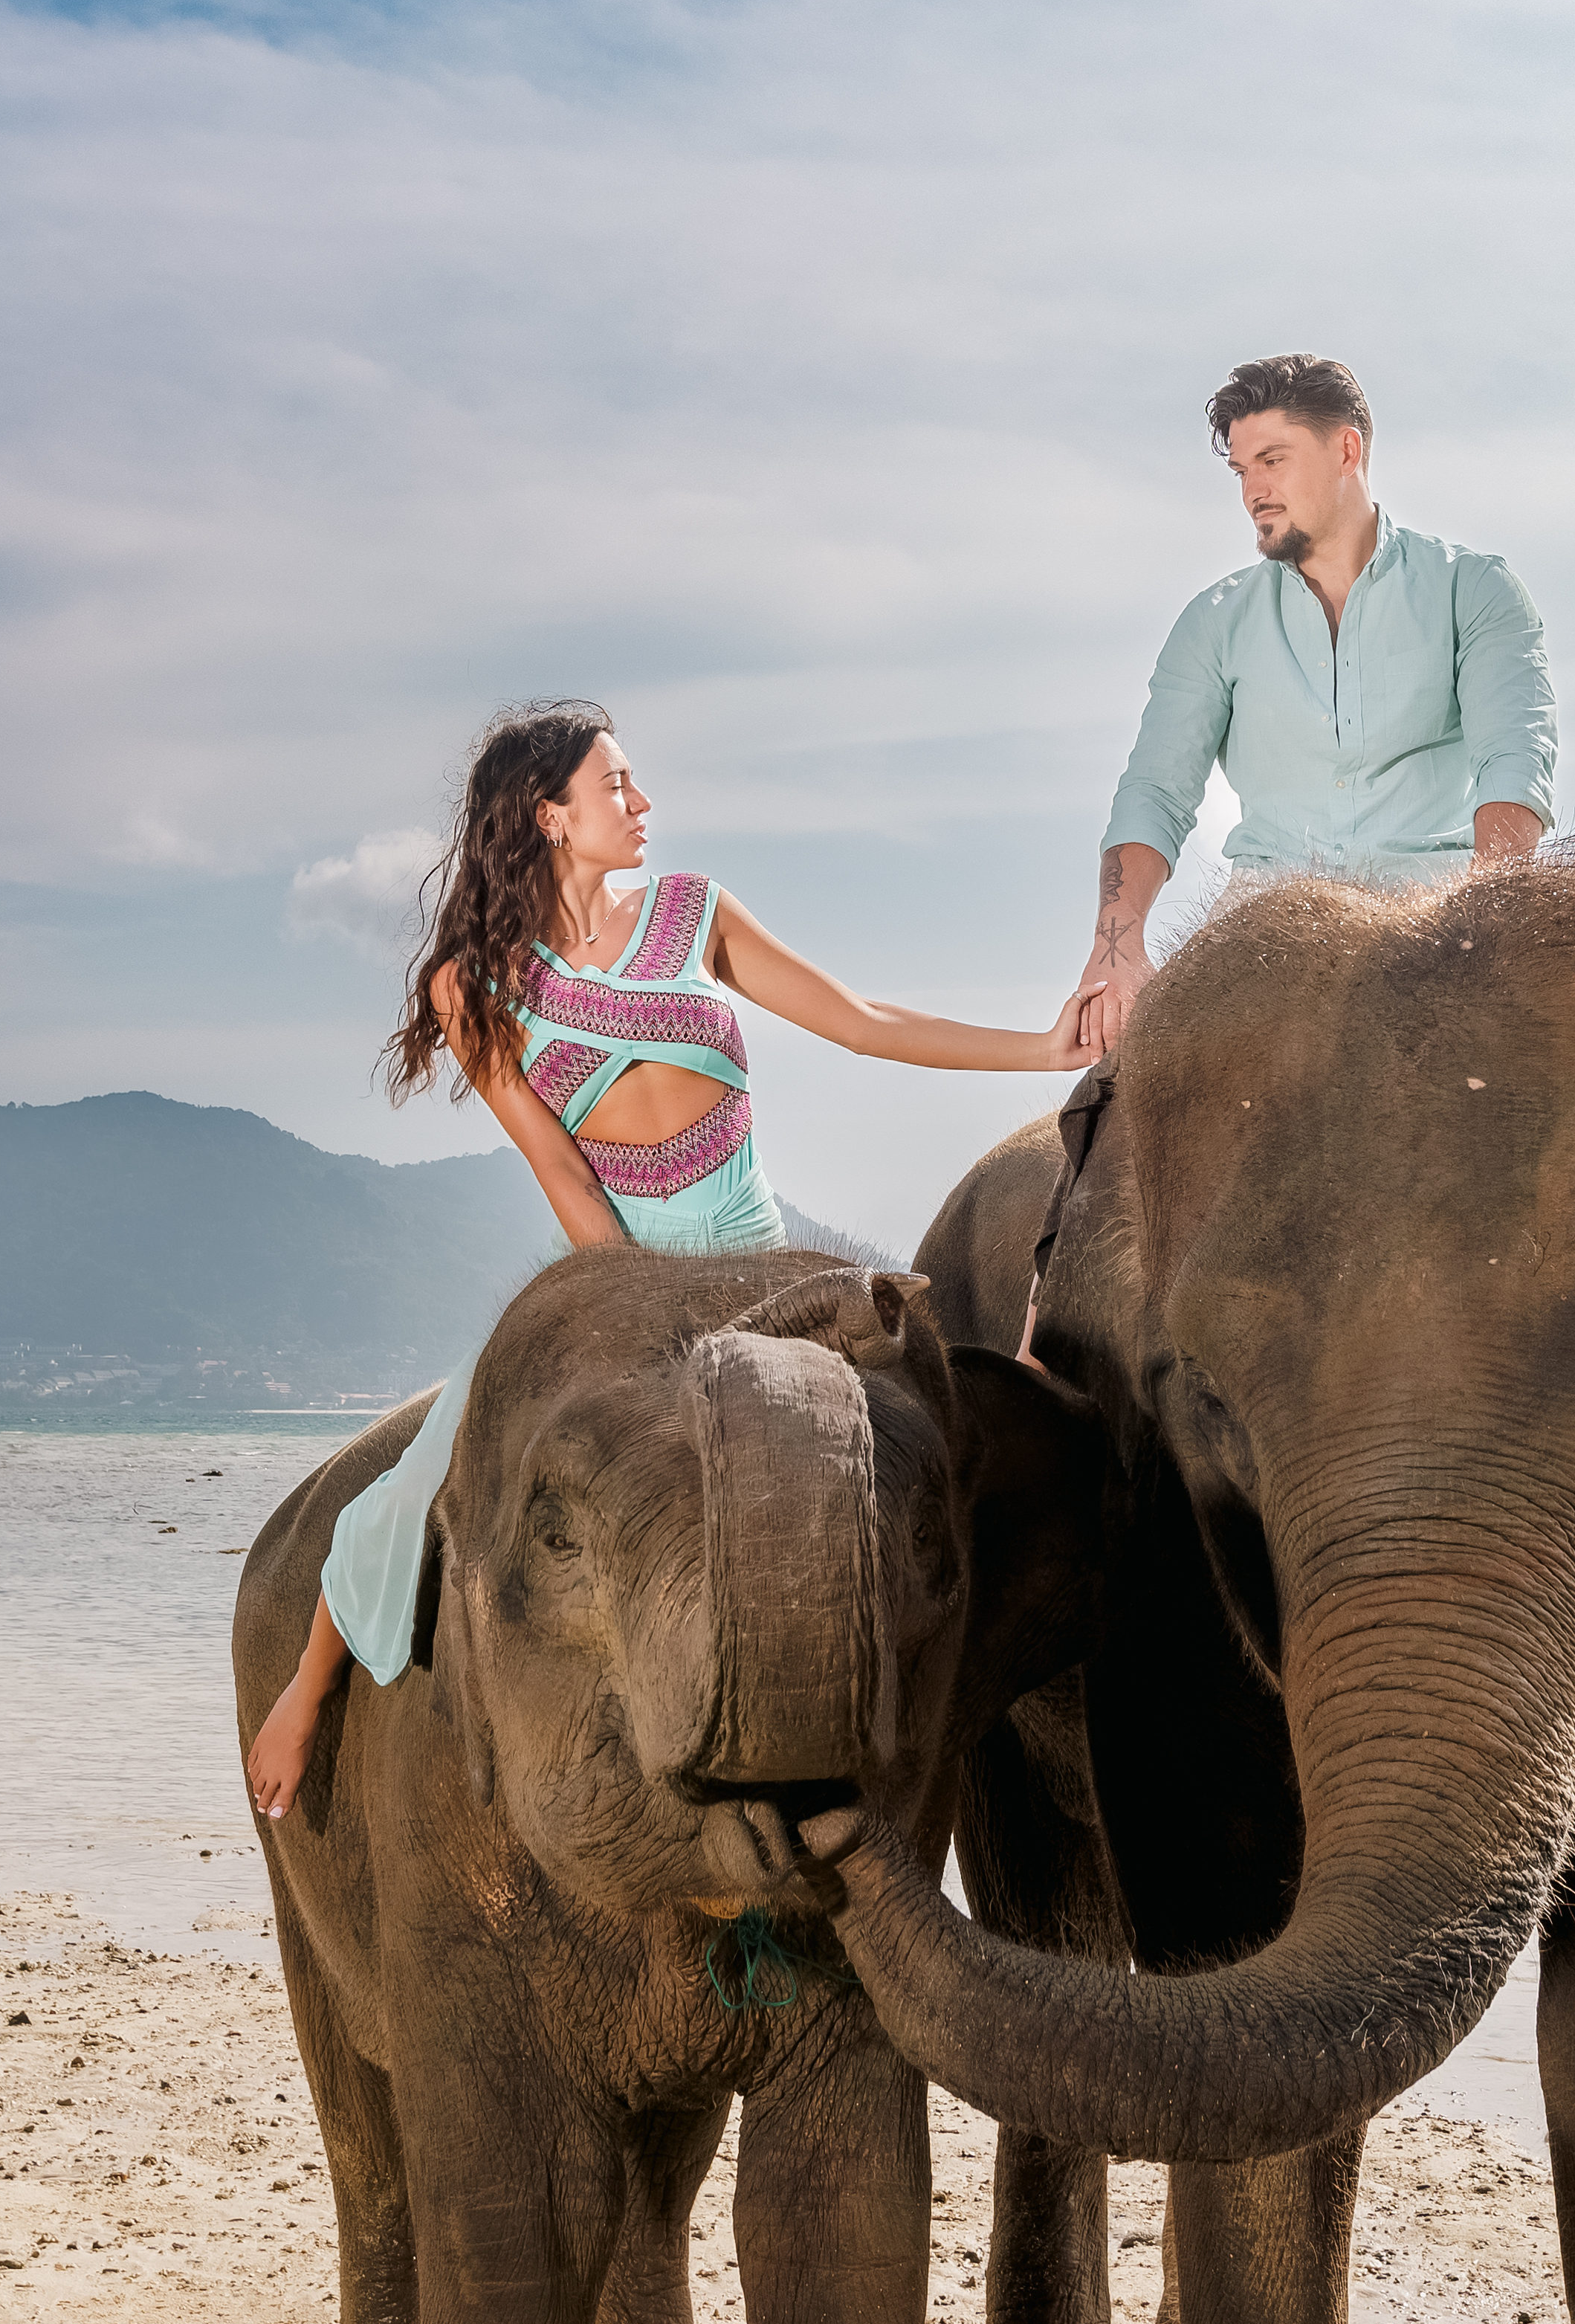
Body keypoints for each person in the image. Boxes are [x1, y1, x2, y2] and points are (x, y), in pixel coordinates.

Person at [246, 698, 1095, 1816]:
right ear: (549, 814)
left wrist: (1044, 1048)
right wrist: (640, 1312)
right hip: (616, 1275)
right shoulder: (473, 985)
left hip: (761, 1260)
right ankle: (310, 1688)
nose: (641, 805)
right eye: (616, 785)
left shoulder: (695, 912)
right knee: (423, 1476)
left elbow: (859, 1019)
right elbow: (560, 1170)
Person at [1023, 352, 1557, 1351]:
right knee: (1100, 1138)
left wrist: (1487, 932)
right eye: (1237, 469)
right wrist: (1118, 939)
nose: (1251, 487)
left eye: (1270, 457)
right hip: (1264, 938)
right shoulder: (1216, 623)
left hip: (1436, 933)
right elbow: (1154, 792)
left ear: (1347, 450)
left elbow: (1511, 766)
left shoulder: (1470, 590)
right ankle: (1045, 1368)